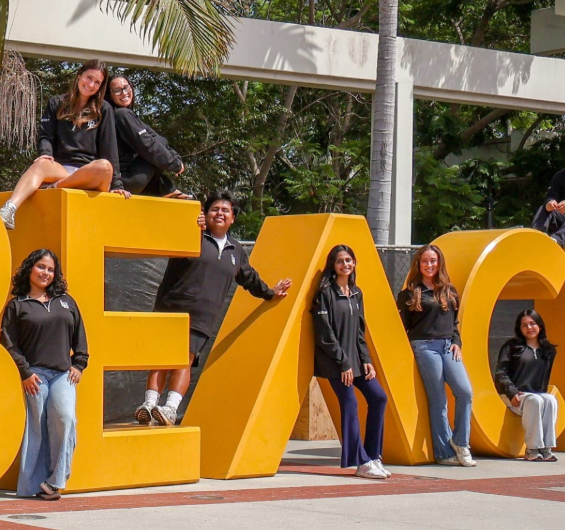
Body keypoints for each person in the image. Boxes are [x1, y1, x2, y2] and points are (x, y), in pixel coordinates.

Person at [132, 192, 291, 426]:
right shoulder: (191, 234)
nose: (220, 213)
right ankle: (149, 404)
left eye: (225, 210)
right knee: (161, 358)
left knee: (183, 360)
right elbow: (168, 230)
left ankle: (170, 409)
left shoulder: (236, 251)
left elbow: (250, 279)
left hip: (201, 318)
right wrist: (188, 222)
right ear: (205, 215)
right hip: (170, 308)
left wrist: (270, 292)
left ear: (233, 219)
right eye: (215, 209)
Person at [1, 249, 89, 501]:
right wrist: (25, 372)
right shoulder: (17, 305)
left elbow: (80, 336)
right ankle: (31, 486)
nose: (45, 273)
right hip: (34, 375)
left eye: (50, 269)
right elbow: (8, 342)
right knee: (36, 428)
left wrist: (79, 363)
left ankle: (55, 480)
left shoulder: (66, 301)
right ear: (30, 269)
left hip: (63, 374)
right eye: (41, 267)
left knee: (65, 418)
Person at [0, 60, 127, 230]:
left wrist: (117, 185)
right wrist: (45, 152)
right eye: (89, 78)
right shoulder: (56, 103)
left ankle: (54, 188)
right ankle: (8, 210)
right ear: (79, 75)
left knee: (104, 166)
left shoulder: (104, 109)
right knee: (41, 164)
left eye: (97, 82)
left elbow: (109, 147)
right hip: (62, 169)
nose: (91, 85)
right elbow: (45, 135)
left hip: (90, 174)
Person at [310, 245, 391, 479]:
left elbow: (359, 332)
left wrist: (365, 360)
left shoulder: (356, 293)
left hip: (356, 361)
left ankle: (373, 457)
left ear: (354, 263)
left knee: (378, 397)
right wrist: (343, 363)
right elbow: (325, 334)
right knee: (351, 405)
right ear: (333, 265)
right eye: (340, 261)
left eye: (348, 260)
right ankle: (361, 462)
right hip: (335, 363)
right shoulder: (325, 293)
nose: (345, 264)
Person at [397, 245, 477, 467]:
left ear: (439, 263)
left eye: (433, 260)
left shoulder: (449, 291)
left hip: (448, 347)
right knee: (439, 400)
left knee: (465, 392)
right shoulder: (409, 293)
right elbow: (402, 326)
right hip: (424, 347)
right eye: (425, 261)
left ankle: (461, 443)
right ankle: (443, 453)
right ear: (418, 264)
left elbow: (454, 324)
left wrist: (457, 343)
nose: (429, 265)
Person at [105, 74, 190, 199]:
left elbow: (155, 138)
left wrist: (176, 159)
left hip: (135, 180)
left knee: (157, 143)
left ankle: (168, 190)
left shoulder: (128, 115)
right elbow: (147, 144)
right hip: (126, 180)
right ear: (110, 95)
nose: (124, 93)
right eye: (117, 90)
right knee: (153, 148)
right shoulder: (121, 114)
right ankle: (168, 190)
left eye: (126, 87)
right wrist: (175, 164)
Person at [495, 309, 561, 462]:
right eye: (524, 325)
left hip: (535, 395)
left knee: (550, 400)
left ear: (540, 326)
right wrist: (512, 393)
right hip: (513, 395)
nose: (529, 328)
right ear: (520, 328)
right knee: (534, 400)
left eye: (532, 324)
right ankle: (532, 449)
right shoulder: (511, 347)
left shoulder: (548, 351)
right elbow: (500, 373)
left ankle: (546, 448)